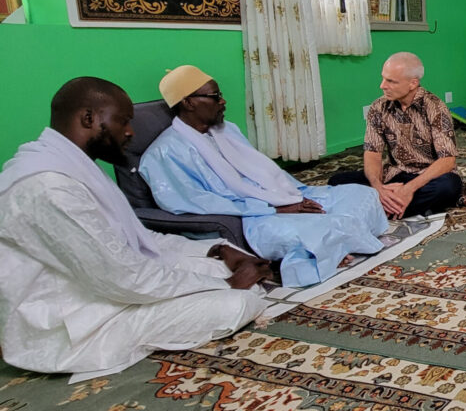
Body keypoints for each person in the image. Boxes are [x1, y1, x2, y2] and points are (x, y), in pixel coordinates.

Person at [0, 77, 270, 380]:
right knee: (239, 301)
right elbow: (125, 277)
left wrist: (217, 249)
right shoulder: (49, 186)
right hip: (73, 322)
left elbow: (137, 240)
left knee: (223, 265)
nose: (130, 132)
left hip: (105, 284)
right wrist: (227, 285)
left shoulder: (71, 165)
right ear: (89, 118)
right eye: (123, 121)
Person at [139, 66, 389, 288]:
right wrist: (274, 208)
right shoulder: (165, 153)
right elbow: (196, 203)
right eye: (215, 97)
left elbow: (266, 171)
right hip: (253, 217)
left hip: (281, 199)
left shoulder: (228, 131)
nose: (223, 101)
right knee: (329, 225)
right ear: (188, 102)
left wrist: (293, 197)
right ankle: (331, 245)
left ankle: (333, 247)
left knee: (363, 193)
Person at [330, 52, 462, 219]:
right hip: (393, 175)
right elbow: (372, 153)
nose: (382, 85)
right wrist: (378, 187)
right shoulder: (378, 107)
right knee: (336, 182)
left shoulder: (435, 107)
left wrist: (408, 189)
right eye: (384, 78)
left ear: (413, 83)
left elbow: (447, 160)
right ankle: (395, 205)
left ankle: (380, 208)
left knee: (449, 187)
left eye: (391, 81)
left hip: (427, 176)